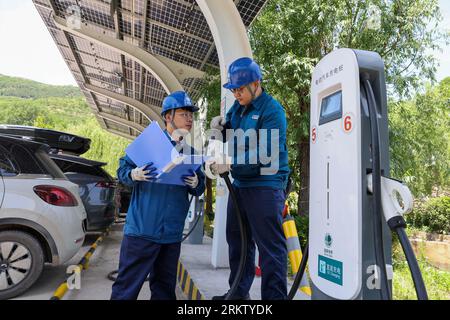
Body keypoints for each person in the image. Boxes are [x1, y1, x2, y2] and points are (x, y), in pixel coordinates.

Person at [111, 91, 205, 300]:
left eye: (191, 115)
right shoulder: (148, 143)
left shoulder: (189, 152)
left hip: (171, 234)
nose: (189, 119)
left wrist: (197, 183)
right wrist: (133, 174)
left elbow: (200, 188)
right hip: (142, 230)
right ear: (168, 116)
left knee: (164, 290)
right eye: (183, 113)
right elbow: (122, 172)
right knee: (126, 289)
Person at [209, 57, 290, 300]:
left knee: (270, 250)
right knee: (238, 242)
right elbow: (229, 132)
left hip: (266, 185)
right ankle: (237, 295)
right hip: (241, 185)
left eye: (240, 89)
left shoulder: (272, 111)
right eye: (233, 89)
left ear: (256, 83)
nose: (236, 94)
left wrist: (230, 162)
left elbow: (264, 153)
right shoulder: (238, 107)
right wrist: (220, 128)